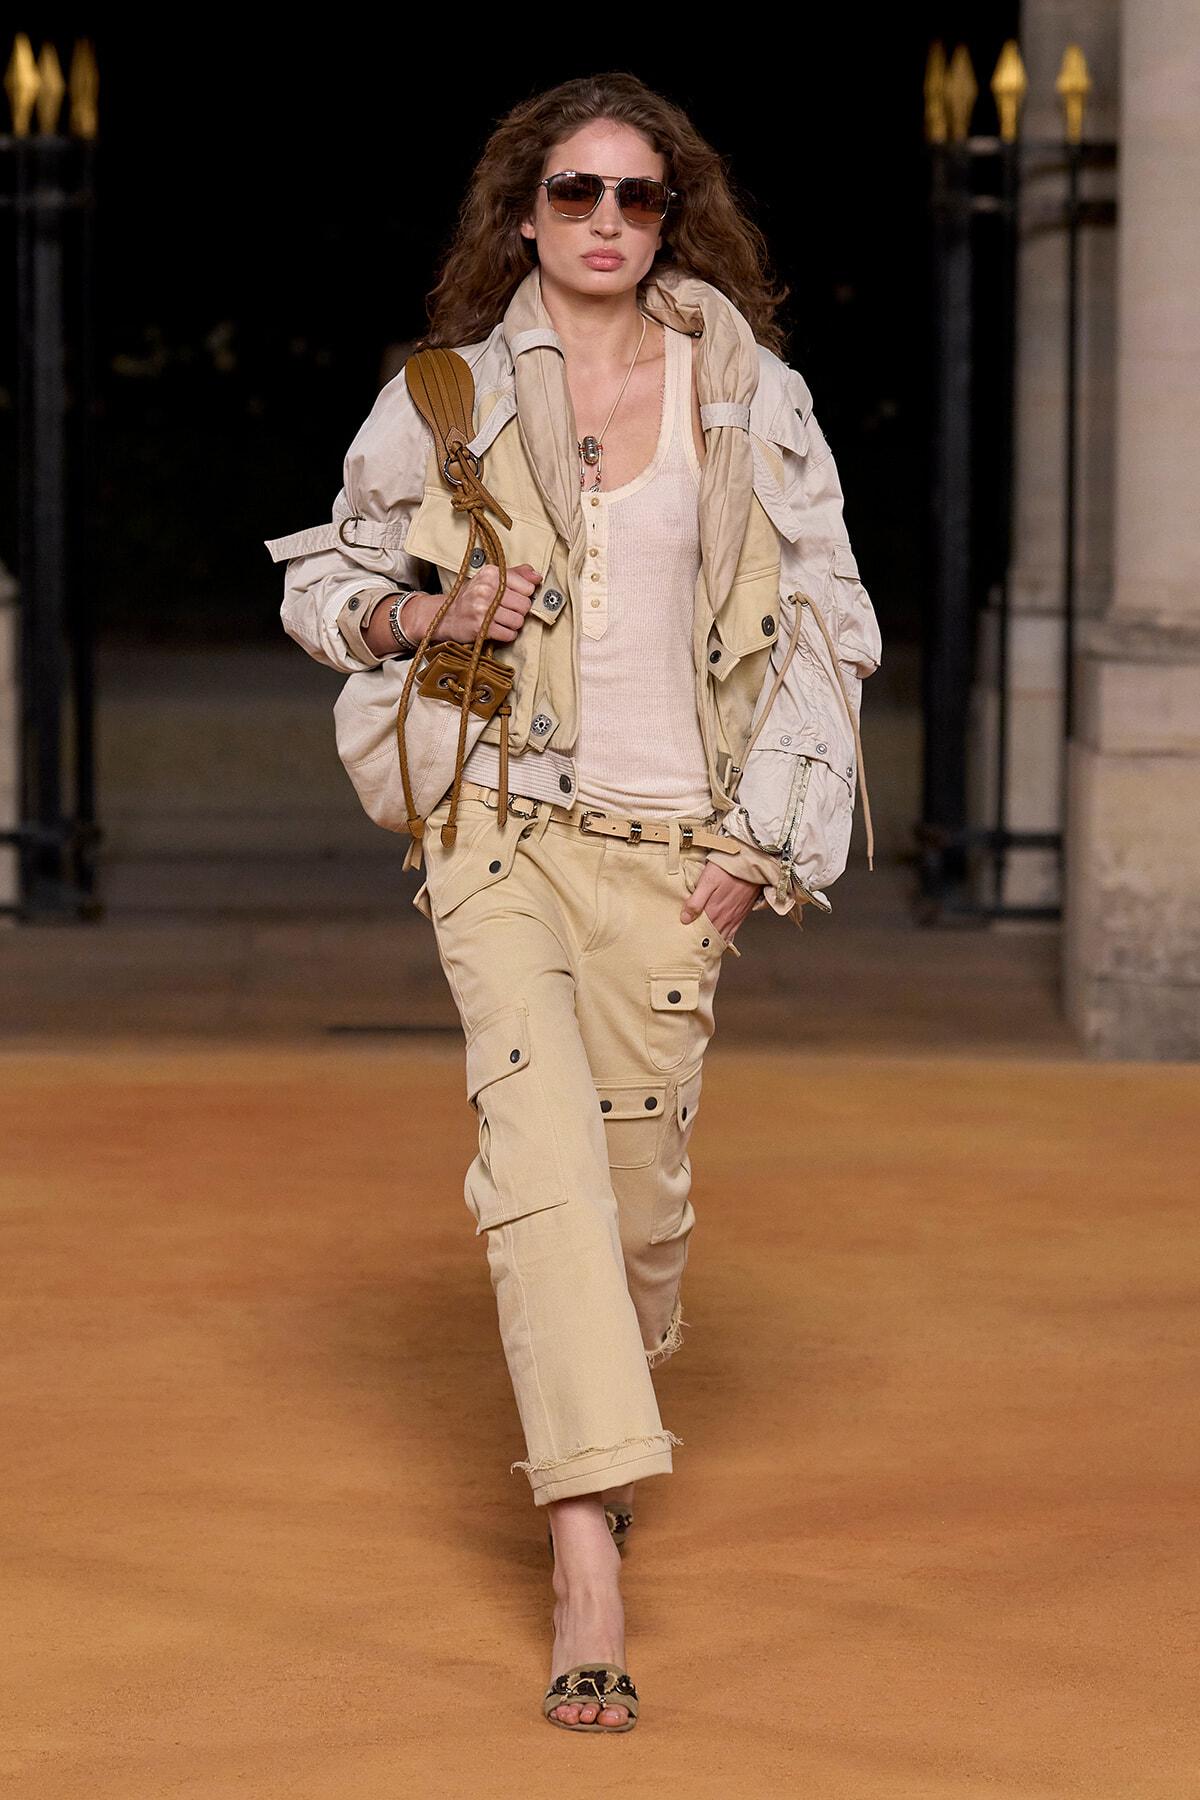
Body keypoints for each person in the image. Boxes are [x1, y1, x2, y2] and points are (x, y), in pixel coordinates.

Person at [270, 72, 880, 1733]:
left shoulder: (750, 396)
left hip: (674, 844)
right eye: (572, 193)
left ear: (673, 217)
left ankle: (605, 1421)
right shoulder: (445, 395)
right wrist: (418, 614)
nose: (604, 222)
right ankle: (585, 1564)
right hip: (500, 824)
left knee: (637, 1205)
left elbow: (828, 625)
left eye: (636, 197)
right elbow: (326, 571)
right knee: (536, 1164)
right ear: (521, 213)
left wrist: (760, 848)